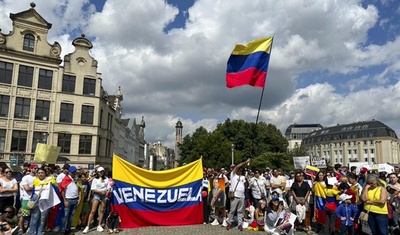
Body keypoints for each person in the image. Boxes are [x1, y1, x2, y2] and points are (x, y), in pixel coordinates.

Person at [83, 167, 111, 234]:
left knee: (102, 210)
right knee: (93, 211)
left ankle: (99, 225)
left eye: (102, 171)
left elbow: (108, 187)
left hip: (104, 195)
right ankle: (87, 226)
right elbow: (93, 189)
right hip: (97, 195)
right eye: (100, 172)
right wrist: (100, 192)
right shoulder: (95, 179)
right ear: (97, 172)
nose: (101, 173)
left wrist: (107, 191)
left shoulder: (106, 179)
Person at [30, 167, 57, 235]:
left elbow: (55, 191)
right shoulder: (35, 180)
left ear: (45, 173)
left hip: (45, 200)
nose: (40, 174)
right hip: (36, 199)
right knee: (35, 217)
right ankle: (32, 232)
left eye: (42, 173)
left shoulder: (50, 180)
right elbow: (33, 191)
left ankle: (39, 232)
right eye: (39, 173)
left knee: (42, 218)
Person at [226, 158, 251, 231]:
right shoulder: (233, 175)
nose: (239, 170)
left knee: (240, 211)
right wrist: (245, 162)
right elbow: (236, 166)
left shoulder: (243, 177)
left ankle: (240, 224)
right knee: (232, 210)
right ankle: (229, 223)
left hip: (242, 196)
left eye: (241, 170)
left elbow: (246, 185)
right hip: (235, 195)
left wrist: (246, 179)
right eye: (239, 169)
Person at [59, 166, 81, 235]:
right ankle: (63, 229)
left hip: (75, 199)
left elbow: (79, 189)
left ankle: (68, 229)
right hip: (68, 199)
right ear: (70, 172)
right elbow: (62, 190)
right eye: (73, 172)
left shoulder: (76, 179)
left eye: (75, 172)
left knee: (71, 216)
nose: (74, 173)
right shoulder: (66, 179)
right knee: (65, 216)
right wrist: (65, 200)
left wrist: (79, 198)